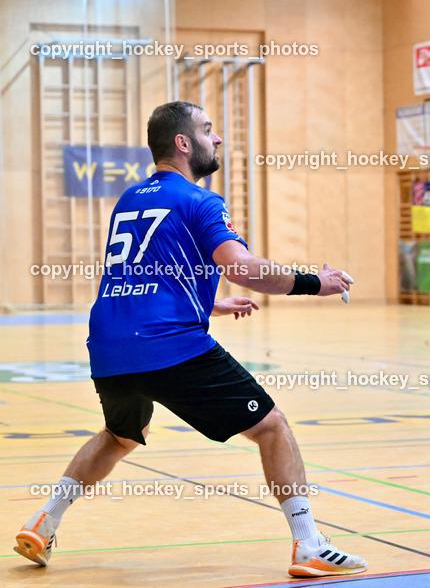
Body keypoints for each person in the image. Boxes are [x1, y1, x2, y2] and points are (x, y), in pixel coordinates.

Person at [13, 102, 366, 579]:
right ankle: (308, 544)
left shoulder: (130, 199)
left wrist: (209, 304)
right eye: (207, 130)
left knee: (118, 436)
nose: (216, 139)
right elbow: (243, 269)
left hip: (110, 345)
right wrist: (313, 282)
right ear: (183, 144)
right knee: (271, 427)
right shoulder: (201, 201)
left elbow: (144, 272)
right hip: (167, 344)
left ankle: (44, 520)